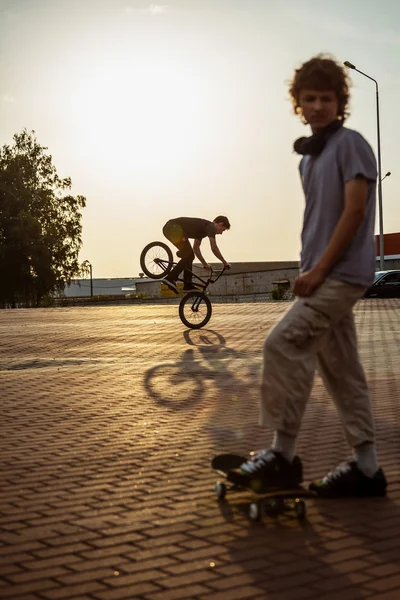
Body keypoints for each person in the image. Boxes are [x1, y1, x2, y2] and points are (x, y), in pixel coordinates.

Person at [229, 55, 387, 497]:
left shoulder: (351, 144)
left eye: (327, 98)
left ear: (341, 103)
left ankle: (281, 456)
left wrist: (319, 271)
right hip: (320, 272)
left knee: (282, 343)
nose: (318, 106)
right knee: (342, 371)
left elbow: (355, 213)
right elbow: (320, 218)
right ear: (297, 103)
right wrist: (308, 267)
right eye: (309, 98)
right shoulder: (308, 159)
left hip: (338, 275)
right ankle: (368, 468)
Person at [162, 216, 231, 293]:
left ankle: (187, 284)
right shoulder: (211, 227)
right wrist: (225, 262)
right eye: (223, 230)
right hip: (172, 228)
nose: (221, 233)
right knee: (189, 255)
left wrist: (205, 264)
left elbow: (196, 248)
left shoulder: (203, 230)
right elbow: (214, 248)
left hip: (171, 229)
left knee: (189, 255)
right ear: (220, 224)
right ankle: (170, 278)